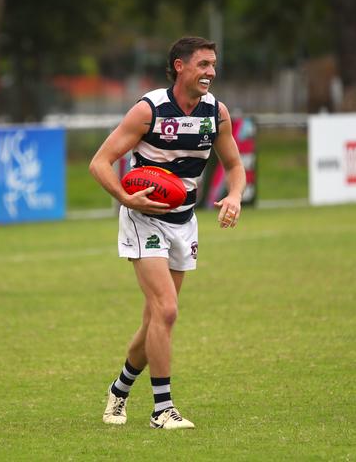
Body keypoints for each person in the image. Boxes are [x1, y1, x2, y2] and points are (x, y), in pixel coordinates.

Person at [89, 36, 246, 430]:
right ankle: (162, 409)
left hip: (185, 221)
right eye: (203, 64)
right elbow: (100, 163)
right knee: (168, 310)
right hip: (145, 218)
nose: (211, 71)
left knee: (154, 321)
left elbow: (234, 165)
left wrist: (235, 195)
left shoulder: (216, 113)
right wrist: (128, 198)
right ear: (180, 66)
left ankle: (119, 391)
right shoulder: (149, 110)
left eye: (213, 64)